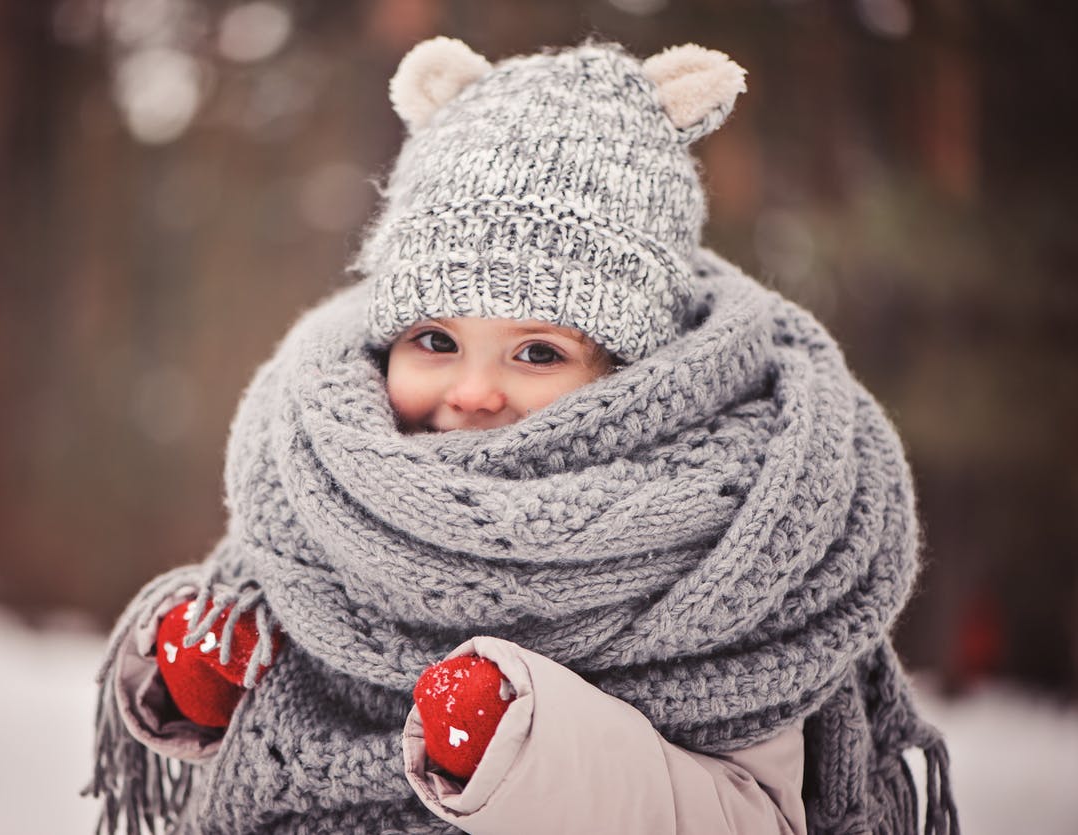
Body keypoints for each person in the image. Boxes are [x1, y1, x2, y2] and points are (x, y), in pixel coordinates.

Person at [87, 38, 958, 835]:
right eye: (434, 340)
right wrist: (211, 685)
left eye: (537, 351)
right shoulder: (329, 484)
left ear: (633, 374)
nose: (472, 391)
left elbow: (751, 816)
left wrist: (528, 744)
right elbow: (284, 702)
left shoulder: (741, 546)